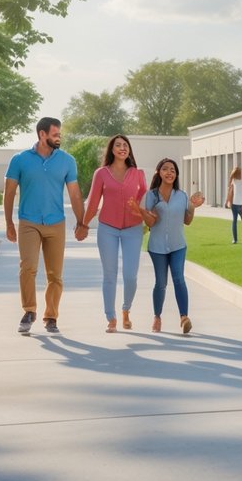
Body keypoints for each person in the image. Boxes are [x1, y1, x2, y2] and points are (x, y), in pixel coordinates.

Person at [4, 116, 85, 336]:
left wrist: (82, 222)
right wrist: (9, 223)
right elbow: (9, 192)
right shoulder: (19, 160)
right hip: (28, 222)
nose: (59, 138)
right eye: (55, 134)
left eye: (59, 134)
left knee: (55, 274)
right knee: (27, 267)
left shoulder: (67, 161)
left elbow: (75, 194)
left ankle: (51, 317)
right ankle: (29, 311)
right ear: (42, 134)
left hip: (56, 222)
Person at [79, 134, 147, 333]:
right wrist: (83, 225)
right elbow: (93, 202)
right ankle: (111, 318)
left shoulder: (138, 173)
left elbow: (144, 196)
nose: (122, 148)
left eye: (125, 145)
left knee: (130, 276)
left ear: (129, 150)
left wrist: (140, 211)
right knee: (109, 275)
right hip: (107, 228)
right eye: (118, 145)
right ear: (112, 150)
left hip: (133, 229)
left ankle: (126, 309)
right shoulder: (101, 173)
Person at [129, 158, 204, 335]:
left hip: (178, 245)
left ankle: (184, 318)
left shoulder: (182, 196)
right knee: (161, 283)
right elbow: (150, 223)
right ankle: (157, 317)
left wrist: (193, 207)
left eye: (173, 170)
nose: (169, 172)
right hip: (157, 247)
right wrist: (141, 211)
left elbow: (187, 221)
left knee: (179, 279)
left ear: (176, 175)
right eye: (165, 169)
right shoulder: (150, 196)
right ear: (159, 172)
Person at [224, 164, 242, 244]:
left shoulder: (233, 181)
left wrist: (226, 202)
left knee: (234, 221)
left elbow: (229, 193)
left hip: (234, 203)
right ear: (240, 173)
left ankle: (235, 239)